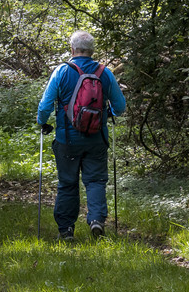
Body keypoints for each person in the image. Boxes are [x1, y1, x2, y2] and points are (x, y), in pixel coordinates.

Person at [36, 30, 127, 241]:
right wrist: (107, 114)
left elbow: (45, 105)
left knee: (67, 183)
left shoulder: (62, 71)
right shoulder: (105, 73)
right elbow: (120, 107)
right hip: (97, 138)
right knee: (95, 180)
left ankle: (66, 230)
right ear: (92, 51)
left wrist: (42, 122)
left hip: (67, 139)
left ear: (72, 49)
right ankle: (96, 220)